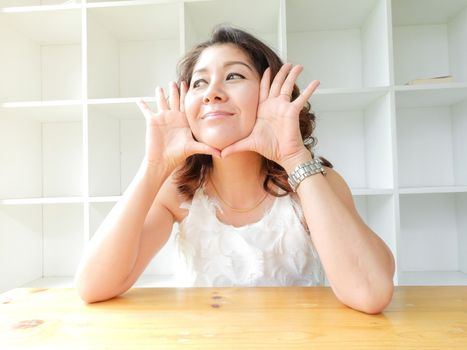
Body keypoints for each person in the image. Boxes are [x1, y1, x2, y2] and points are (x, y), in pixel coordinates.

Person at [75, 25, 395, 314]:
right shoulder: (178, 191)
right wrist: (153, 167)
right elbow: (94, 287)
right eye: (199, 83)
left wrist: (295, 157)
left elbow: (370, 294)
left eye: (234, 76)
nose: (212, 92)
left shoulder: (313, 182)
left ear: (271, 93)